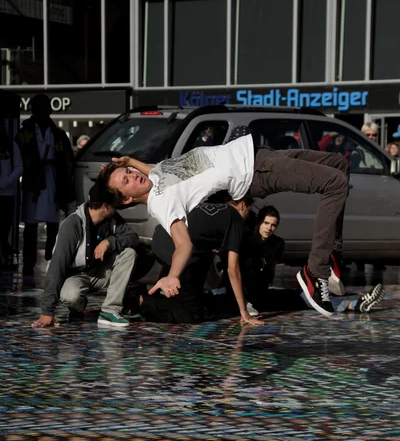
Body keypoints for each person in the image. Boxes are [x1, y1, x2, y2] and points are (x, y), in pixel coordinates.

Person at [97, 127, 349, 318]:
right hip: (253, 172)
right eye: (126, 180)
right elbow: (183, 243)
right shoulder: (162, 203)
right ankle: (315, 273)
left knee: (340, 165)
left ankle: (331, 254)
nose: (133, 176)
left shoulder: (157, 176)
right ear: (128, 199)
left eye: (129, 173)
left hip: (253, 152)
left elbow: (155, 171)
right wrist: (172, 275)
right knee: (334, 184)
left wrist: (128, 162)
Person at [124, 196, 261, 325]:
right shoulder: (236, 218)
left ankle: (157, 297)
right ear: (243, 205)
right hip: (176, 248)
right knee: (192, 313)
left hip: (161, 238)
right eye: (249, 211)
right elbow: (233, 269)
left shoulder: (211, 208)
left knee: (203, 259)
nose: (248, 217)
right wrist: (244, 311)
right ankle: (137, 300)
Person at [239, 205, 385, 315]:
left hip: (263, 292)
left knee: (303, 296)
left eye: (273, 225)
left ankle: (354, 304)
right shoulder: (247, 240)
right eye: (266, 223)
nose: (269, 228)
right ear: (259, 223)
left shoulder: (277, 243)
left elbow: (271, 269)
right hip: (242, 293)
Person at [31, 183, 139, 329]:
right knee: (71, 296)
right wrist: (47, 311)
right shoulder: (73, 225)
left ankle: (110, 311)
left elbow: (133, 237)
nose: (117, 206)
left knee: (128, 254)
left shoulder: (112, 219)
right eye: (114, 203)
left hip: (99, 272)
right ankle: (78, 306)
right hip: (74, 276)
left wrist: (109, 242)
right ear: (105, 206)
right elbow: (57, 267)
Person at [15, 94, 75, 276]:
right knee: (31, 225)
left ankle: (52, 259)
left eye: (46, 107)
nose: (44, 111)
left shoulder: (57, 134)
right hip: (33, 181)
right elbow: (18, 156)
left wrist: (66, 186)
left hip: (52, 180)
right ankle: (28, 264)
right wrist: (32, 165)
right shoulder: (25, 132)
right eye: (40, 107)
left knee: (53, 224)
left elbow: (68, 160)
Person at [0, 123, 23, 270]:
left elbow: (19, 167)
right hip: (6, 191)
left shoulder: (11, 146)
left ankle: (3, 254)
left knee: (4, 226)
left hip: (7, 193)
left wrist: (6, 182)